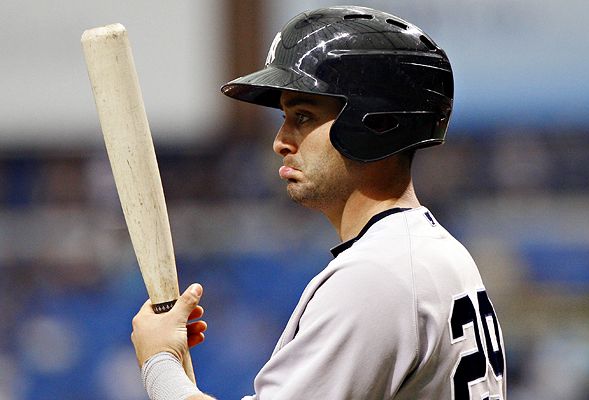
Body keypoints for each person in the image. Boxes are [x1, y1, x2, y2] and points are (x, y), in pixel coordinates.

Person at [131, 5, 507, 400]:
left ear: (374, 124)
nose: (281, 141)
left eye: (304, 116)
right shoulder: (434, 254)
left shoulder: (376, 276)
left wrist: (159, 361)